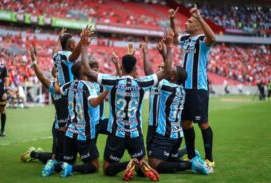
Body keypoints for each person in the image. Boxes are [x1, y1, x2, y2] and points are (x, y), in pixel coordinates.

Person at [81, 26, 174, 181]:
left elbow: (87, 71)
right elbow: (168, 69)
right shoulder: (142, 83)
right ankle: (138, 163)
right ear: (135, 68)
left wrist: (84, 45)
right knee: (140, 171)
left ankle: (129, 163)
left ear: (122, 67)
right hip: (135, 133)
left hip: (116, 133)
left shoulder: (112, 81)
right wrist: (169, 46)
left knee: (108, 169)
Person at [170, 6, 216, 167]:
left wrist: (200, 17)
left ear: (197, 25)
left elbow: (213, 38)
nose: (186, 23)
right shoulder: (186, 40)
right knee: (185, 123)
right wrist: (171, 20)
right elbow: (176, 36)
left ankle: (209, 158)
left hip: (198, 89)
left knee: (203, 123)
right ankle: (191, 155)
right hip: (184, 89)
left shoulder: (203, 40)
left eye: (189, 21)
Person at [20, 46, 69, 177]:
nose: (59, 73)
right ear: (54, 74)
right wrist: (34, 61)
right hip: (59, 125)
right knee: (58, 159)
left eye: (61, 72)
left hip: (71, 126)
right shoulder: (52, 86)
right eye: (57, 72)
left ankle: (38, 154)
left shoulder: (69, 84)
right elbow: (40, 76)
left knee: (67, 158)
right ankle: (34, 153)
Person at [56, 61, 108, 178]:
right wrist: (107, 90)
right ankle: (71, 169)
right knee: (94, 166)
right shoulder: (87, 86)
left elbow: (58, 90)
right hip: (84, 132)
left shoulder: (69, 85)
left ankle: (54, 165)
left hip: (70, 131)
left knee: (68, 161)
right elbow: (94, 103)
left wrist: (55, 79)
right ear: (83, 71)